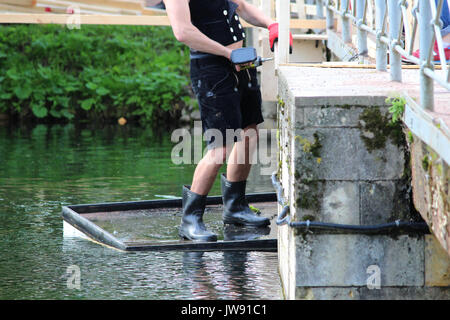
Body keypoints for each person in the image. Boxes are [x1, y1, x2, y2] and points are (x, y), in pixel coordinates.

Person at [163, 0, 292, 241]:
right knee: (220, 147)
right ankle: (190, 220)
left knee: (249, 133)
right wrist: (227, 53)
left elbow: (241, 5)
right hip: (211, 69)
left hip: (242, 64)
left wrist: (271, 24)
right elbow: (182, 32)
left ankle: (236, 208)